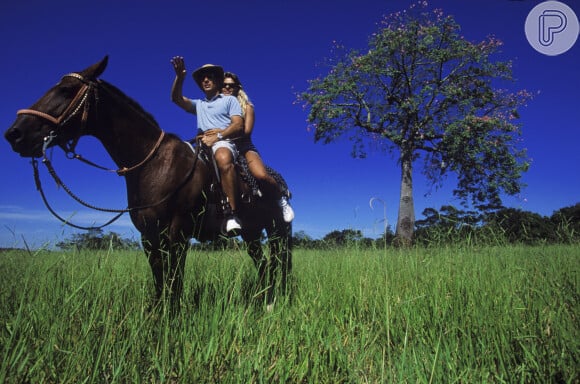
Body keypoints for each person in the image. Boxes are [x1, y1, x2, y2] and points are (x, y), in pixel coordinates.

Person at [170, 56, 243, 233]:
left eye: (209, 76)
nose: (206, 80)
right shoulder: (199, 104)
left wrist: (217, 136)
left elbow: (238, 125)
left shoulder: (229, 100)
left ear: (218, 81)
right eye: (203, 78)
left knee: (223, 158)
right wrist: (180, 76)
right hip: (200, 144)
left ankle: (231, 215)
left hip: (222, 142)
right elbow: (176, 99)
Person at [221, 72, 294, 222]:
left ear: (237, 88)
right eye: (224, 85)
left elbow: (246, 131)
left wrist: (219, 134)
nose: (227, 88)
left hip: (243, 148)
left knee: (260, 174)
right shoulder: (215, 105)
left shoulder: (247, 107)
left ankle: (281, 200)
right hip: (221, 146)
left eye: (231, 85)